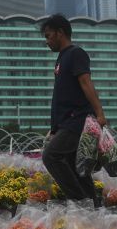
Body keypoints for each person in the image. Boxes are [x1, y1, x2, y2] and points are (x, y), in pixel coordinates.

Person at [40, 14, 107, 207]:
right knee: (73, 164)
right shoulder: (62, 58)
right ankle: (93, 205)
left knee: (51, 155)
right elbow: (63, 97)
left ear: (60, 33)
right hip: (67, 122)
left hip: (78, 120)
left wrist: (100, 114)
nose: (47, 41)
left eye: (48, 36)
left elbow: (86, 83)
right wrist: (54, 129)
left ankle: (79, 203)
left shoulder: (76, 53)